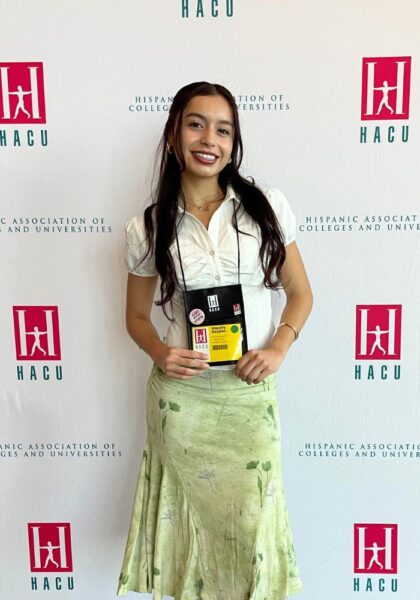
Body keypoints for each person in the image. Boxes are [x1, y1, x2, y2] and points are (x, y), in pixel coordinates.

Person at [117, 81, 313, 600]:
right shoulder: (148, 225)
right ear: (173, 136)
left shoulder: (266, 206)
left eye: (223, 129)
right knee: (190, 539)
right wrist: (161, 351)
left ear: (234, 142)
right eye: (196, 124)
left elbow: (300, 294)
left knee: (253, 532)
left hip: (249, 398)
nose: (210, 139)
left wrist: (278, 348)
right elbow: (136, 316)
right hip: (183, 403)